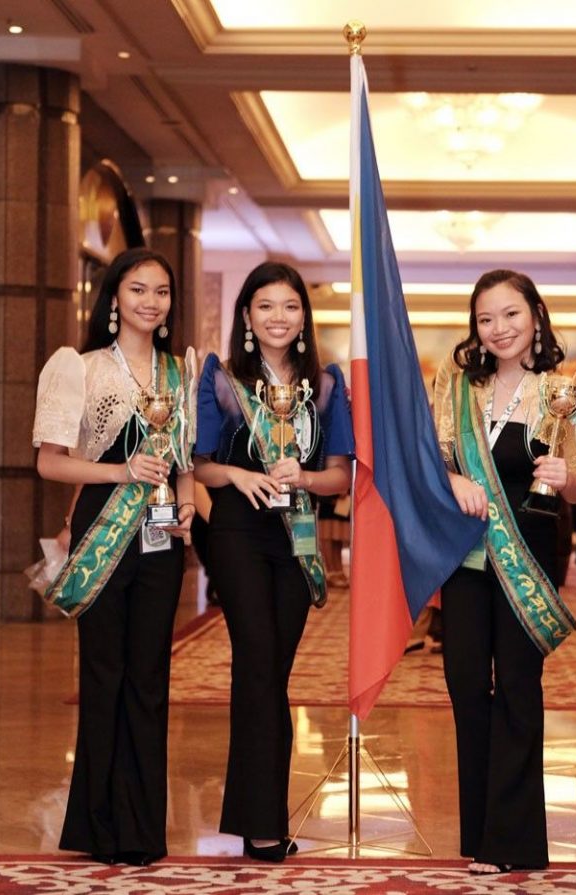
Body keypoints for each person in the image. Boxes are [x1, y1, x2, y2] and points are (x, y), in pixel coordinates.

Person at [32, 247, 197, 866]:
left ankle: (141, 829)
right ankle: (99, 827)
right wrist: (120, 470)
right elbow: (49, 461)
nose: (151, 302)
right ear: (114, 297)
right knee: (104, 676)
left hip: (159, 539)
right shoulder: (80, 367)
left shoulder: (180, 371)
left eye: (161, 291)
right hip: (104, 531)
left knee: (151, 678)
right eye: (138, 290)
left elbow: (182, 457)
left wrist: (183, 499)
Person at [433, 269, 576, 875]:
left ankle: (515, 841)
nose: (498, 329)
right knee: (467, 685)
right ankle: (480, 835)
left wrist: (565, 480)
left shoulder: (561, 390)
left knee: (519, 692)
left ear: (535, 319)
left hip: (528, 556)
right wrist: (452, 479)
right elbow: (430, 462)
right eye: (485, 318)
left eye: (511, 315)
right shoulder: (455, 387)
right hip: (466, 560)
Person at [194, 261, 353, 862]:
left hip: (298, 535)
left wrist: (304, 475)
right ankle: (261, 824)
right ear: (247, 315)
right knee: (256, 660)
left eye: (290, 307)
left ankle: (256, 813)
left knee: (270, 674)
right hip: (237, 530)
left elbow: (339, 474)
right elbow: (200, 463)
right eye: (266, 306)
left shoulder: (328, 386)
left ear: (304, 318)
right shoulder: (221, 380)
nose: (278, 318)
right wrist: (239, 473)